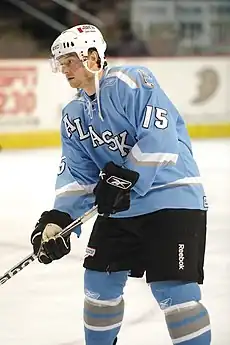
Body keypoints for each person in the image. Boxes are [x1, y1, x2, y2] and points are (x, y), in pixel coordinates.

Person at [31, 24, 211, 345]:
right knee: (98, 285)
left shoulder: (131, 82)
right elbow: (78, 176)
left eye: (70, 60)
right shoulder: (73, 115)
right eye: (61, 63)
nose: (64, 69)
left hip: (172, 200)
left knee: (174, 292)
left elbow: (159, 137)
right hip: (122, 208)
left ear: (93, 57)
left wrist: (126, 179)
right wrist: (59, 221)